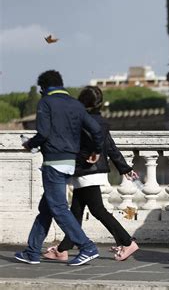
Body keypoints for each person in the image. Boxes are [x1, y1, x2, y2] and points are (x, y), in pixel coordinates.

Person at [15, 70, 103, 266]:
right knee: (46, 208)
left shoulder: (46, 102)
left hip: (53, 162)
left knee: (59, 208)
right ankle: (32, 251)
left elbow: (44, 133)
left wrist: (30, 144)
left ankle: (87, 246)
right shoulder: (76, 104)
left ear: (44, 88)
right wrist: (96, 150)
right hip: (69, 162)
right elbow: (96, 129)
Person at [42, 86, 140, 262]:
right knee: (76, 211)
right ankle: (63, 248)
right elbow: (110, 146)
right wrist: (124, 167)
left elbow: (78, 147)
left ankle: (127, 242)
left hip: (85, 170)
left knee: (97, 210)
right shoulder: (100, 122)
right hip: (95, 171)